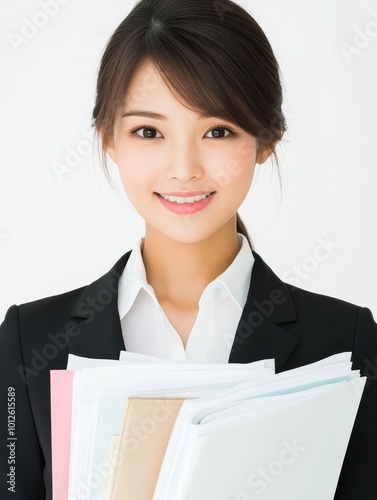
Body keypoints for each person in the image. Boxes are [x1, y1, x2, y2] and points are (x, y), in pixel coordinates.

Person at [1, 0, 376, 498]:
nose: (183, 168)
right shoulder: (29, 341)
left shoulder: (346, 343)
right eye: (148, 131)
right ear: (108, 138)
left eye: (217, 131)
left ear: (268, 139)